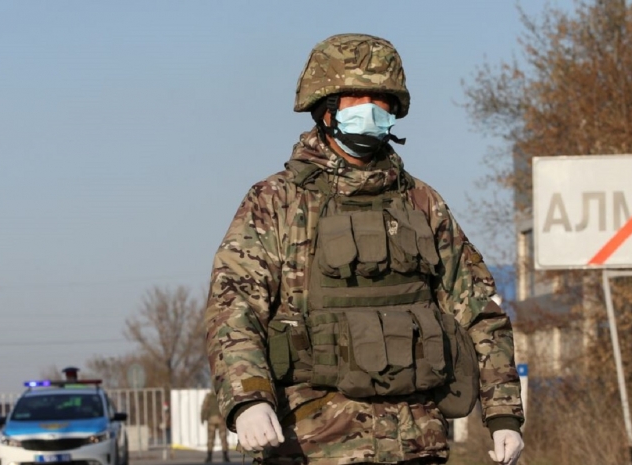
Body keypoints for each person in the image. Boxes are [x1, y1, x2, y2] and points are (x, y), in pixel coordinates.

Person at [205, 33, 525, 465]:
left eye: (381, 100)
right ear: (324, 107)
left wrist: (504, 414)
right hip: (312, 445)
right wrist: (248, 397)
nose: (370, 110)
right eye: (356, 98)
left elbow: (479, 312)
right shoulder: (278, 201)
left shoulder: (421, 203)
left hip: (418, 444)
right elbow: (234, 305)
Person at [201, 391, 230, 462]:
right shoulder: (223, 395)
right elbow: (227, 407)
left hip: (211, 419)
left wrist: (202, 417)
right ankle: (225, 456)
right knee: (223, 438)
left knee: (210, 438)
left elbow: (204, 407)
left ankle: (209, 456)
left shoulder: (209, 396)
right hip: (221, 419)